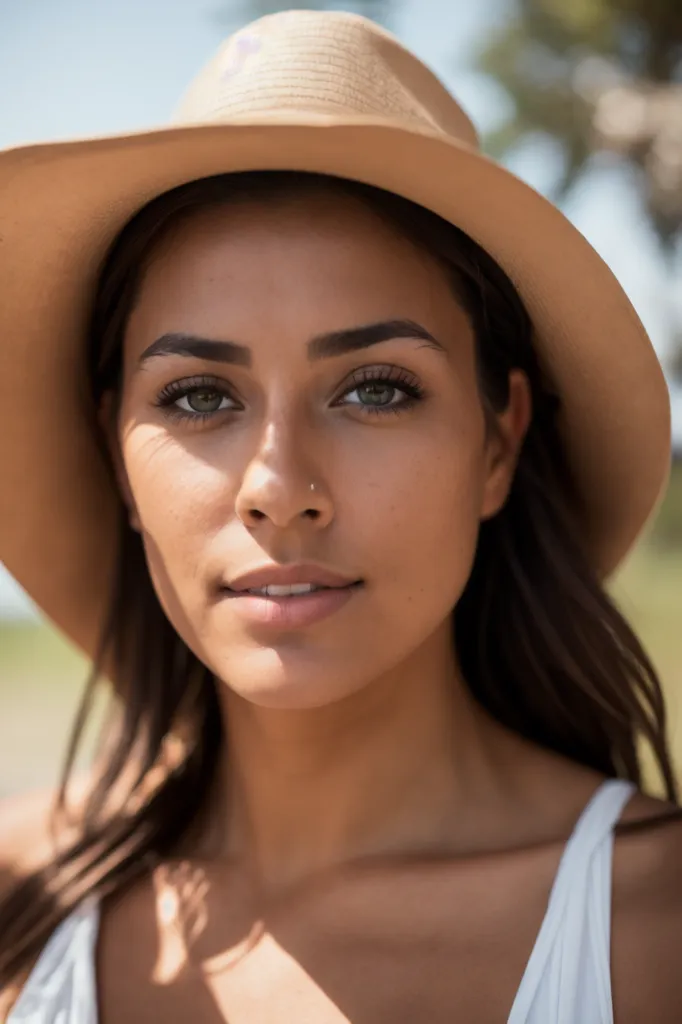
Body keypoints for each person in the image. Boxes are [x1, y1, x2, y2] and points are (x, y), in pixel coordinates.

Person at [0, 8, 681, 1022]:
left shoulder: (656, 930)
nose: (278, 483)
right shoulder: (26, 900)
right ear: (115, 455)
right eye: (198, 396)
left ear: (497, 444)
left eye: (374, 387)